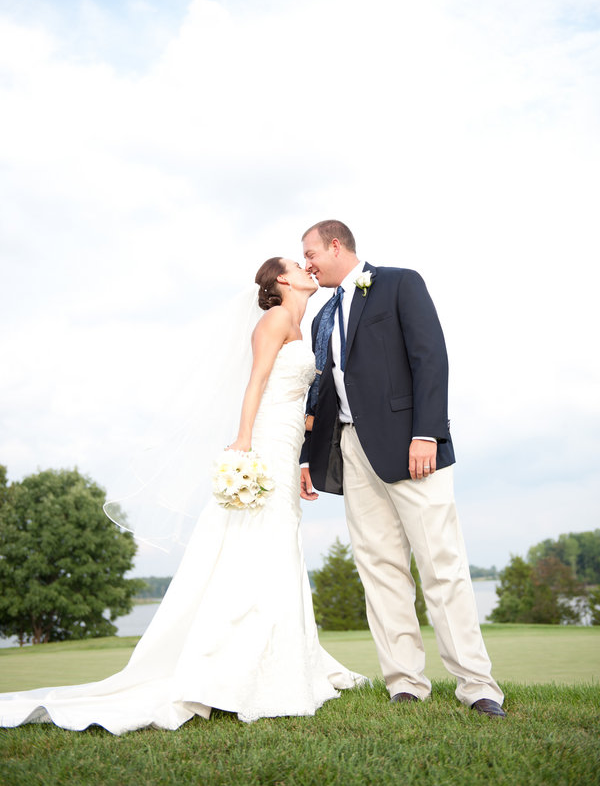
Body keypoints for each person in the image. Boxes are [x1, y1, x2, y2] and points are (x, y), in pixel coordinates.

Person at [0, 257, 366, 734]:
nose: (307, 270)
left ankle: (279, 658)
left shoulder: (302, 324)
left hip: (286, 441)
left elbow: (295, 399)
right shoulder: (275, 320)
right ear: (282, 280)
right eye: (299, 265)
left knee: (279, 544)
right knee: (257, 541)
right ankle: (231, 665)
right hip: (265, 441)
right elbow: (254, 384)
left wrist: (305, 451)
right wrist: (242, 444)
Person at [299, 220, 505, 718]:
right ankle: (405, 684)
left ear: (335, 245)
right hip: (351, 449)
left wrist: (426, 432)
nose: (306, 262)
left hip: (413, 448)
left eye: (310, 252)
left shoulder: (398, 282)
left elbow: (430, 357)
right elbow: (320, 389)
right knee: (379, 570)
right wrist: (307, 454)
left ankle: (477, 686)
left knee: (441, 564)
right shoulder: (322, 315)